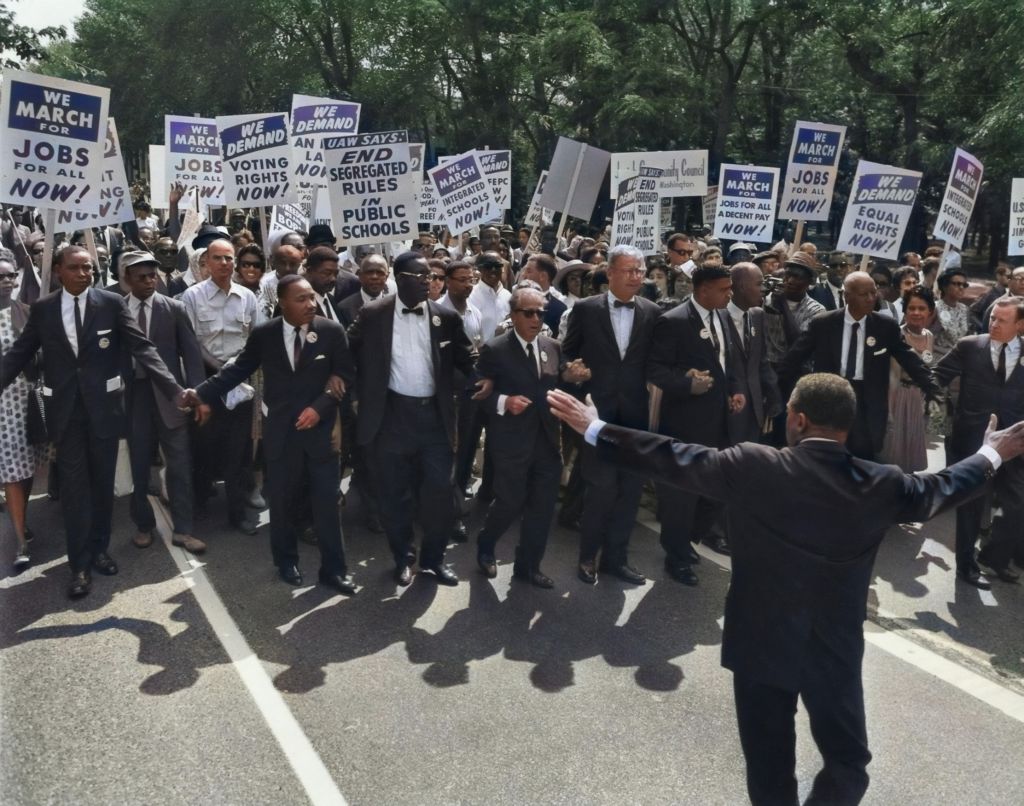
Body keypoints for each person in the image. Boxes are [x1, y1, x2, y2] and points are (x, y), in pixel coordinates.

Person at [546, 374, 1024, 806]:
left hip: (759, 642)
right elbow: (939, 488)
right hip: (832, 647)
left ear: (796, 418)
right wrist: (992, 454)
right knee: (848, 763)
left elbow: (671, 455)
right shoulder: (882, 483)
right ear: (846, 424)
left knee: (770, 769)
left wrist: (595, 427)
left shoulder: (754, 465)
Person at [0, 245, 183, 598]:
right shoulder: (44, 310)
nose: (84, 274)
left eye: (88, 268)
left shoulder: (111, 305)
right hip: (65, 416)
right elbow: (19, 354)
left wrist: (174, 388)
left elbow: (142, 348)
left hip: (104, 413)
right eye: (76, 268)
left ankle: (99, 549)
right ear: (58, 271)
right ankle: (79, 565)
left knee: (102, 486)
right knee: (74, 490)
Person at [182, 275, 356, 593]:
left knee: (326, 506)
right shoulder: (265, 334)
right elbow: (237, 369)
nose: (311, 304)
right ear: (282, 303)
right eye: (301, 299)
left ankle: (334, 570)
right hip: (282, 435)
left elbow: (344, 373)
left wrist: (319, 407)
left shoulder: (330, 331)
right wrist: (201, 393)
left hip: (320, 436)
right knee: (283, 502)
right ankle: (286, 562)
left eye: (311, 298)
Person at [347, 251, 480, 586]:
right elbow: (346, 353)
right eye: (421, 278)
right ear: (399, 279)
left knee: (438, 493)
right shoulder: (374, 314)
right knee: (395, 495)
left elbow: (469, 359)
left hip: (434, 420)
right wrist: (347, 388)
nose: (429, 283)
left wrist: (488, 380)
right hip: (391, 418)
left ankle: (434, 560)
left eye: (432, 278)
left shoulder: (445, 318)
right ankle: (403, 557)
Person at [560, 243, 660, 585]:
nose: (636, 277)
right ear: (611, 273)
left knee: (630, 490)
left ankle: (616, 560)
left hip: (634, 416)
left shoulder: (651, 311)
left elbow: (657, 362)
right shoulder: (587, 310)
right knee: (600, 489)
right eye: (630, 270)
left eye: (641, 271)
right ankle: (588, 557)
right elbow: (567, 353)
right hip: (596, 415)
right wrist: (570, 371)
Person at [780, 271, 938, 461]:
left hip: (867, 404)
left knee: (863, 462)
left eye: (874, 292)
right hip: (831, 400)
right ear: (847, 296)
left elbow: (908, 358)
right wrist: (777, 391)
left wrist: (932, 386)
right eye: (865, 294)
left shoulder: (885, 326)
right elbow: (794, 358)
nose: (872, 298)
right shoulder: (823, 323)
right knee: (827, 460)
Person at [649, 264, 744, 575]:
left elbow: (728, 363)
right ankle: (676, 556)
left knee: (720, 490)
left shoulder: (725, 316)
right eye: (724, 289)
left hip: (722, 423)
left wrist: (735, 390)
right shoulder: (673, 321)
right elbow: (656, 370)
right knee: (682, 496)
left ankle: (688, 538)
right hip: (686, 424)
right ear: (703, 290)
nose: (730, 294)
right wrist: (687, 383)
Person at [119, 250, 209, 555]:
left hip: (172, 398)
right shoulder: (116, 310)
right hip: (134, 397)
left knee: (180, 464)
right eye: (141, 277)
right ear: (126, 279)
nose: (149, 282)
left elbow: (192, 356)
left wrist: (197, 395)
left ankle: (184, 529)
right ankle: (143, 525)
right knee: (139, 465)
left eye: (152, 276)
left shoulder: (173, 308)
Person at [474, 287, 562, 588]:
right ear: (513, 315)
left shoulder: (552, 346)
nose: (536, 318)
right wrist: (503, 402)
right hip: (511, 441)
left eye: (541, 312)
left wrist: (574, 378)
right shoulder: (495, 349)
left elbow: (556, 386)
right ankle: (486, 545)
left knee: (542, 506)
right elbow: (477, 393)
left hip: (547, 441)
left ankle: (528, 566)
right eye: (529, 313)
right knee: (510, 502)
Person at [935, 297, 1024, 589]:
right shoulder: (970, 346)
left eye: (1002, 320)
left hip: (1015, 444)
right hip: (974, 441)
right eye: (992, 318)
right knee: (970, 506)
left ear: (1020, 325)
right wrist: (936, 401)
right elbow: (938, 375)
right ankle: (966, 566)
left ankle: (994, 557)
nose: (993, 324)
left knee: (1017, 505)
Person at [180, 238, 261, 535]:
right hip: (206, 383)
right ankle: (199, 504)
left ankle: (237, 513)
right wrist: (220, 372)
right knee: (204, 448)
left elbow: (254, 339)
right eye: (218, 258)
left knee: (238, 453)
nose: (224, 264)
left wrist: (237, 370)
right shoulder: (192, 297)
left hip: (241, 385)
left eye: (229, 258)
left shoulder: (247, 297)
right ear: (207, 262)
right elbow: (190, 343)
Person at [0, 249, 42, 569]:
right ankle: (20, 540)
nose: (6, 282)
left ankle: (21, 515)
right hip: (2, 406)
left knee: (26, 471)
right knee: (13, 473)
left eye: (10, 276)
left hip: (27, 400)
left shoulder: (26, 311)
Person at [880, 286, 936, 472]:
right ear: (904, 311)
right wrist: (889, 411)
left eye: (921, 308)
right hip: (897, 396)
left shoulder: (929, 336)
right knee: (893, 453)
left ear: (930, 311)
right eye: (911, 308)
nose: (916, 313)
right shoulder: (898, 335)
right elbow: (893, 375)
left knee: (910, 455)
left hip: (917, 398)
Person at [727, 262, 783, 445]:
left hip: (755, 409)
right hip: (727, 410)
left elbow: (762, 361)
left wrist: (773, 394)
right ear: (742, 287)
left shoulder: (757, 315)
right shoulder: (716, 317)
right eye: (759, 284)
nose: (764, 289)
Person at [519, 253, 567, 336]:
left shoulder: (559, 310)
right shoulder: (515, 300)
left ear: (543, 276)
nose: (523, 275)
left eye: (528, 271)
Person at [337, 254, 389, 329]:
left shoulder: (394, 307)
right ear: (360, 276)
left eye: (380, 273)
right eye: (369, 272)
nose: (374, 277)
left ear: (386, 277)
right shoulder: (344, 308)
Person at [468, 251, 511, 339]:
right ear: (480, 269)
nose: (493, 270)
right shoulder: (470, 296)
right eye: (488, 266)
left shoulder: (508, 296)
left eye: (497, 266)